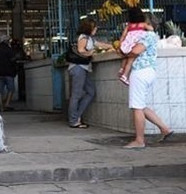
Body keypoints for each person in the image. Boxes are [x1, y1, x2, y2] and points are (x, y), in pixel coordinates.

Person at [123, 12, 173, 149]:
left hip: (140, 71)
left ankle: (139, 140)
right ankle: (164, 129)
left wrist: (125, 51)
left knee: (137, 107)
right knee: (141, 105)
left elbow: (135, 51)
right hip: (148, 71)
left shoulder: (147, 36)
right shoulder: (151, 36)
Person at [67, 18, 111, 128]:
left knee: (91, 92)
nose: (96, 29)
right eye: (94, 27)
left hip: (84, 68)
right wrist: (92, 52)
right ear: (89, 28)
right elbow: (81, 51)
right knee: (76, 95)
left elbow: (101, 45)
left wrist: (114, 46)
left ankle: (76, 116)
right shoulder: (83, 37)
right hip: (78, 68)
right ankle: (73, 121)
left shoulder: (90, 39)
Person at [117, 8, 153, 86]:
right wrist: (148, 25)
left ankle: (121, 69)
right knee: (130, 59)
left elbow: (123, 36)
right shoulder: (143, 24)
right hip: (134, 44)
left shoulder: (129, 25)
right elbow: (151, 29)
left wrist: (120, 44)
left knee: (125, 56)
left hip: (127, 44)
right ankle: (125, 75)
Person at [0, 34, 16, 111]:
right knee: (11, 89)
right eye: (8, 40)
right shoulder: (8, 49)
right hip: (8, 72)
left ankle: (1, 106)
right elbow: (13, 59)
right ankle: (7, 104)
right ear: (5, 41)